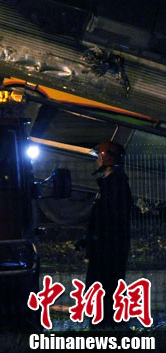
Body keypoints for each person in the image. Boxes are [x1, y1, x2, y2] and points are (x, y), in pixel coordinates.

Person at [79, 140, 133, 327]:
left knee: (105, 284)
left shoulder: (115, 185)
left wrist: (96, 238)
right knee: (104, 284)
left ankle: (106, 322)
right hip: (105, 245)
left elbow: (110, 217)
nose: (96, 161)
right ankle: (105, 321)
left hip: (108, 247)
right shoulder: (110, 184)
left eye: (98, 157)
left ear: (106, 158)